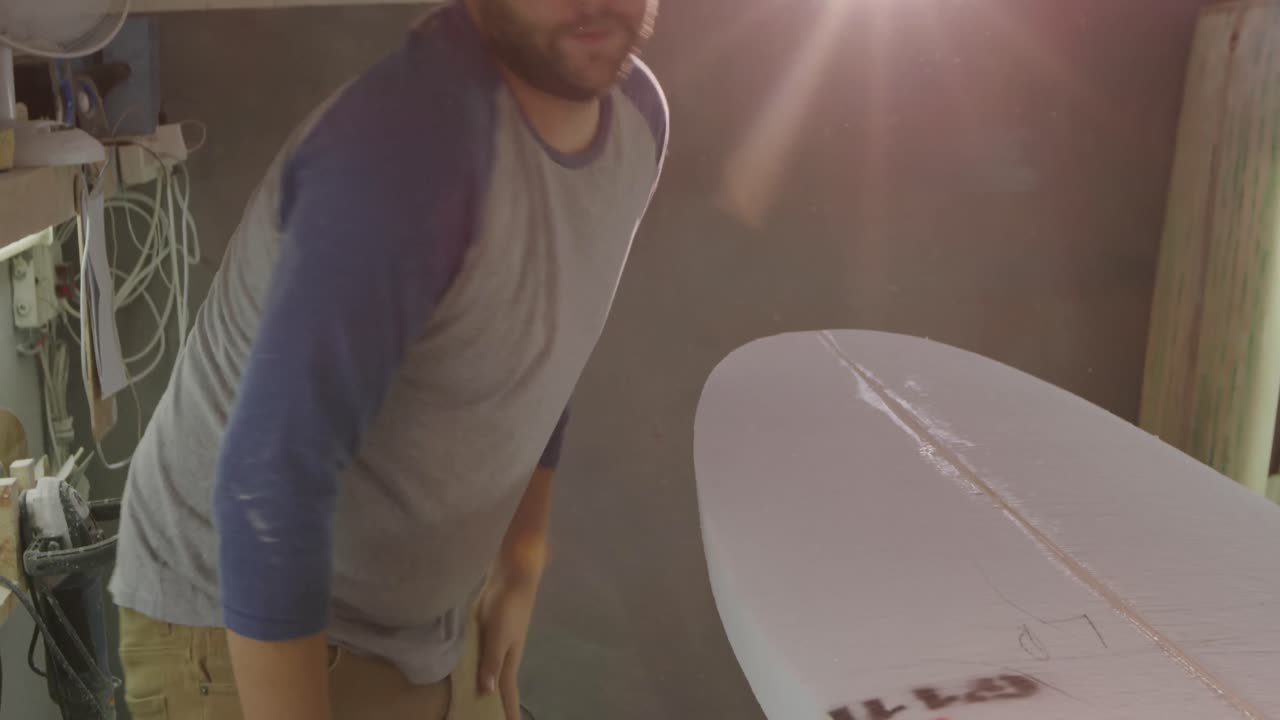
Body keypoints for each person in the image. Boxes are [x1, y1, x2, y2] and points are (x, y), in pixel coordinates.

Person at [107, 0, 667, 717]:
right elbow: (268, 485)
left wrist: (522, 555)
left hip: (421, 618)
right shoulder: (404, 154)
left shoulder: (636, 117)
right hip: (240, 615)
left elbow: (550, 339)